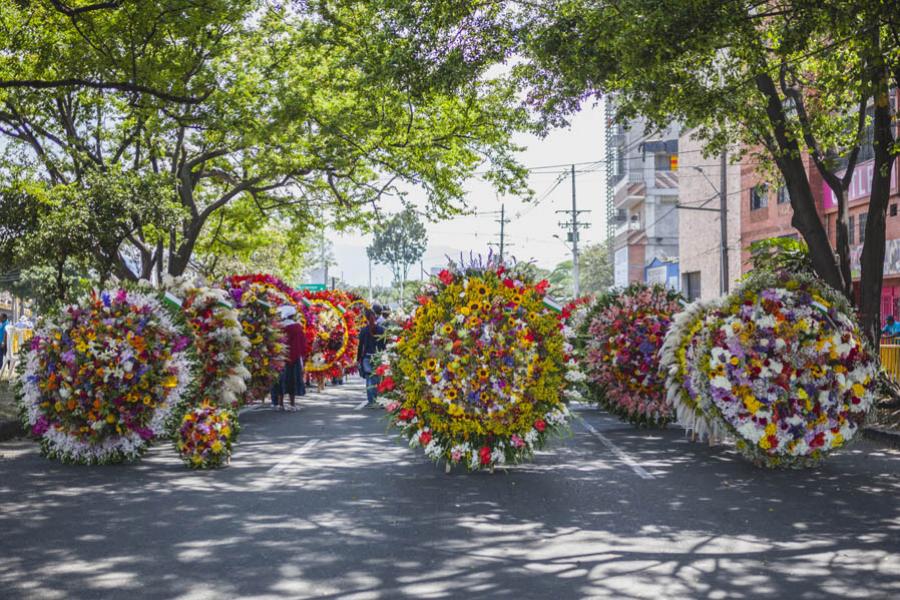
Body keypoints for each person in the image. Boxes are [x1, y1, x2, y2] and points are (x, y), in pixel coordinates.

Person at [271, 305, 307, 411]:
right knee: (293, 380)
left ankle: (280, 404)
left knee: (280, 380)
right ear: (292, 315)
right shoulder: (297, 327)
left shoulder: (278, 327)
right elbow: (302, 344)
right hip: (294, 358)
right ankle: (292, 404)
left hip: (280, 358)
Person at [357, 308, 386, 408]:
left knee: (369, 378)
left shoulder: (363, 330)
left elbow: (360, 346)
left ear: (366, 318)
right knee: (378, 379)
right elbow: (384, 345)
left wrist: (358, 359)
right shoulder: (381, 330)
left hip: (367, 357)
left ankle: (371, 401)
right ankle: (379, 399)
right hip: (378, 357)